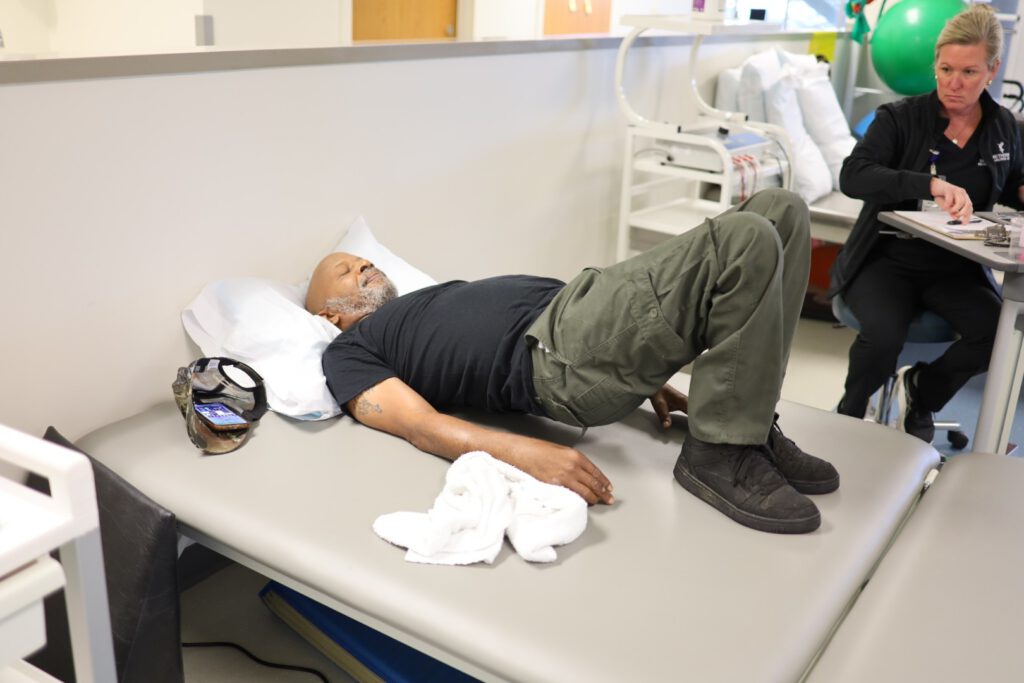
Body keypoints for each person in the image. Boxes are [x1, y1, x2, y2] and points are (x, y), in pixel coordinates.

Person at [308, 189, 839, 535]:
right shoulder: (349, 352)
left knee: (781, 210)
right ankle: (721, 453)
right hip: (558, 353)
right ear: (330, 315)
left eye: (365, 259)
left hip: (583, 314)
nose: (364, 265)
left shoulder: (415, 304)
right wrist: (527, 453)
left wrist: (656, 376)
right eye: (347, 272)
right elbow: (421, 426)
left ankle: (744, 420)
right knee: (745, 238)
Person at [831, 4, 1024, 441]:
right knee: (883, 338)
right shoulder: (899, 118)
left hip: (955, 266)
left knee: (996, 334)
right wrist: (927, 184)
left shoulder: (1004, 129)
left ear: (992, 70)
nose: (954, 84)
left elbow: (1013, 184)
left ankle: (923, 392)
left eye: (969, 72)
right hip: (886, 259)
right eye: (945, 69)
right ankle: (847, 416)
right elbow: (853, 175)